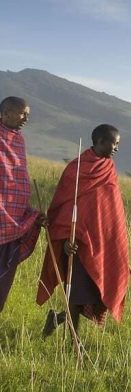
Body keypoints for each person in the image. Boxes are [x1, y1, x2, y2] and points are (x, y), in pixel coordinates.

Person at [38, 124, 130, 335]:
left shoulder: (108, 169)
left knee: (90, 292)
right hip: (74, 243)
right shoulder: (76, 169)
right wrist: (67, 238)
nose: (116, 148)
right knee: (76, 291)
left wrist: (113, 238)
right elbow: (62, 207)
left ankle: (58, 318)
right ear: (98, 141)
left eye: (118, 144)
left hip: (99, 242)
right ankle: (74, 340)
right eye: (113, 143)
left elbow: (109, 209)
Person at [0, 96, 44, 312]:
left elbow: (17, 182)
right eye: (22, 113)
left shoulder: (18, 140)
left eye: (28, 113)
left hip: (12, 221)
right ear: (5, 113)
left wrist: (32, 215)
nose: (26, 117)